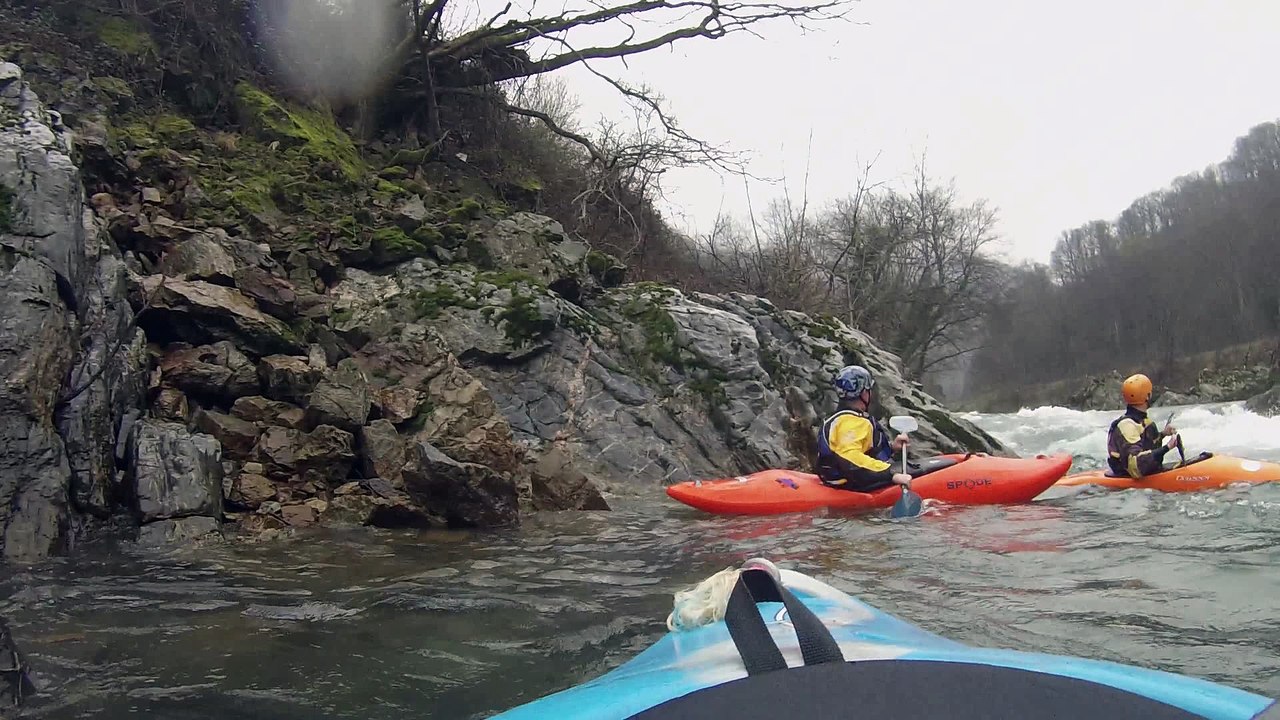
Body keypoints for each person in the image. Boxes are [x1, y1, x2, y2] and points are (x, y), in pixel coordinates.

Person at [815, 365, 913, 492]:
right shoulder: (854, 422)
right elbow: (850, 457)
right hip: (852, 485)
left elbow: (862, 451)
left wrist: (891, 447)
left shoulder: (839, 419)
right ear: (864, 393)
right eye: (869, 390)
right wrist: (891, 475)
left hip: (843, 479)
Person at [1106, 373, 1180, 479]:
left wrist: (1163, 434)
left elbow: (1147, 446)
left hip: (1145, 470)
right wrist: (1167, 447)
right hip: (1127, 475)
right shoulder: (1127, 426)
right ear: (1147, 396)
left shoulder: (1142, 421)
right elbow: (1136, 466)